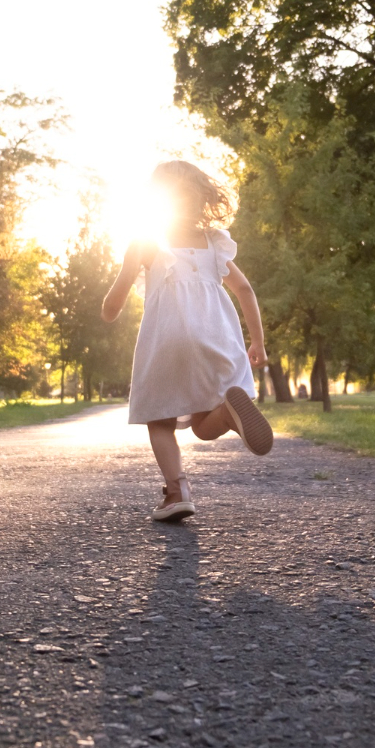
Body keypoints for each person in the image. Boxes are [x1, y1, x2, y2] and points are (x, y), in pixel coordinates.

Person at [101, 161, 273, 522]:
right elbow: (244, 289)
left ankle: (177, 490)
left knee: (160, 420)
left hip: (168, 340)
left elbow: (114, 302)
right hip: (217, 337)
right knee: (202, 422)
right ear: (201, 199)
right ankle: (228, 411)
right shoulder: (213, 243)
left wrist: (109, 310)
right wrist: (257, 343)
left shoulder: (146, 240)